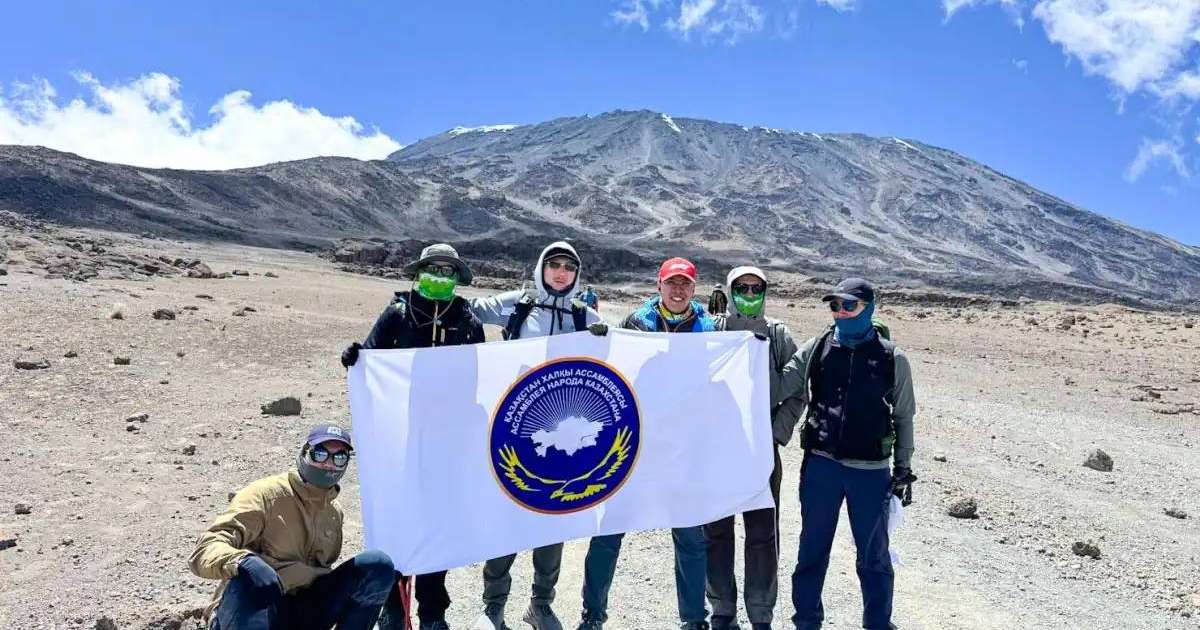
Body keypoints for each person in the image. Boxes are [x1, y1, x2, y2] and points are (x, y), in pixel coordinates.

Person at [341, 243, 486, 630]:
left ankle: (433, 610)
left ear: (457, 278)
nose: (440, 276)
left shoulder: (468, 320)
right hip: (398, 439)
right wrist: (357, 357)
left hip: (444, 441)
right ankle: (393, 605)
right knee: (398, 520)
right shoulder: (397, 314)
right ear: (419, 272)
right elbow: (370, 358)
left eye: (448, 271)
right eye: (433, 269)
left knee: (437, 522)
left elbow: (477, 377)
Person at [467, 241, 603, 630]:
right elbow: (468, 311)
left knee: (553, 517)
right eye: (554, 264)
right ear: (542, 267)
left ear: (577, 275)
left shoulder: (584, 314)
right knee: (507, 513)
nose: (561, 272)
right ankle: (493, 606)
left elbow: (618, 348)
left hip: (563, 435)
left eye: (569, 267)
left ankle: (540, 604)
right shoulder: (520, 303)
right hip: (514, 431)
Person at [576, 257, 716, 630]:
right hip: (633, 448)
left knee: (689, 536)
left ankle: (693, 619)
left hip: (682, 451)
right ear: (659, 285)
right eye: (672, 282)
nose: (678, 289)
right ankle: (592, 615)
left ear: (694, 288)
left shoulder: (709, 329)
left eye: (685, 283)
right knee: (608, 532)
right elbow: (607, 368)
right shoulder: (635, 324)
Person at [774, 278, 917, 630]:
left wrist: (903, 469)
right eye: (835, 306)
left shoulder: (892, 358)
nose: (840, 313)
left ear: (868, 308)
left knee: (874, 558)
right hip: (821, 466)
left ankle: (878, 623)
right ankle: (806, 622)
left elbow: (903, 416)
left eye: (848, 306)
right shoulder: (818, 347)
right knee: (812, 551)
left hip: (870, 472)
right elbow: (779, 385)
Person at [189, 424, 394, 630]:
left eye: (339, 457)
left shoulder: (333, 511)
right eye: (321, 454)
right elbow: (206, 548)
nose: (329, 464)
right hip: (257, 608)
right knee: (247, 581)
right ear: (305, 453)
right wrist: (243, 561)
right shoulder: (266, 495)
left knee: (376, 567)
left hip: (303, 610)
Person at [705, 266, 803, 630]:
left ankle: (761, 614)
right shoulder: (712, 331)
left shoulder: (778, 335)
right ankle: (722, 610)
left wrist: (775, 434)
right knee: (716, 532)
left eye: (755, 288)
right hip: (718, 452)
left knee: (762, 533)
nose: (749, 293)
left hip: (761, 452)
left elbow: (797, 392)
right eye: (742, 287)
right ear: (730, 291)